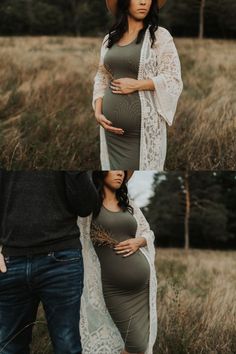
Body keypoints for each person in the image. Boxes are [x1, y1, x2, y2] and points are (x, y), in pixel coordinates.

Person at [0, 170, 98, 354]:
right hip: (9, 262)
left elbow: (85, 206)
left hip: (62, 261)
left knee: (67, 348)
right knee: (8, 348)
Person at [93, 0, 183, 170]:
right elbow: (102, 76)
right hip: (111, 132)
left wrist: (137, 85)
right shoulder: (110, 39)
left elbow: (173, 79)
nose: (143, 2)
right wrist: (98, 112)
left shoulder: (159, 36)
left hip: (141, 133)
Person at [79, 171, 157, 354]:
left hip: (142, 289)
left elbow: (148, 232)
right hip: (116, 291)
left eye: (123, 171)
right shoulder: (89, 207)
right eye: (115, 169)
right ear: (101, 172)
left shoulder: (128, 204)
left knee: (143, 344)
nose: (120, 174)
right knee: (136, 346)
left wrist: (140, 241)